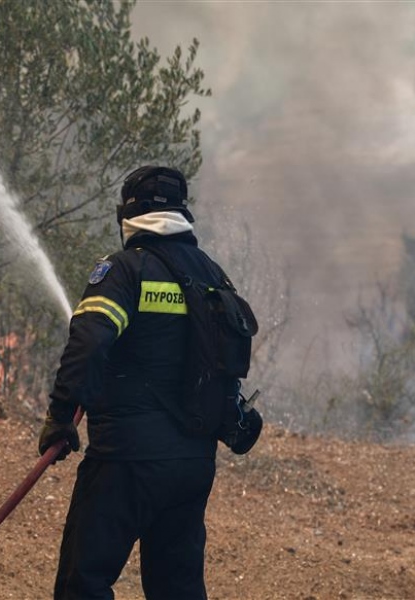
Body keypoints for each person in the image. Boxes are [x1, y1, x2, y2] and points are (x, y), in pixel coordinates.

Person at [38, 165, 259, 600]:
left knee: (83, 585)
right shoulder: (213, 276)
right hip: (193, 465)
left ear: (127, 215)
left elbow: (89, 341)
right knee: (177, 590)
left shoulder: (123, 270)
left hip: (125, 462)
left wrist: (61, 415)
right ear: (182, 213)